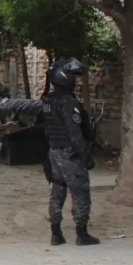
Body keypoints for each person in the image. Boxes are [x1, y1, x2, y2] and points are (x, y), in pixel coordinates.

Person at [42, 58, 100, 247]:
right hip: (69, 153)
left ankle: (55, 233)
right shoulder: (68, 102)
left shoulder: (49, 100)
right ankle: (82, 234)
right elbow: (74, 132)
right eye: (73, 76)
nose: (75, 79)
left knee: (57, 191)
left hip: (54, 152)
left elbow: (46, 129)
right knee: (80, 192)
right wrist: (85, 156)